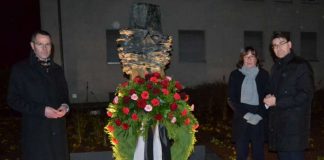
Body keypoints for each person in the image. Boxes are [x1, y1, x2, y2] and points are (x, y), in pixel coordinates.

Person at [7, 30, 70, 160]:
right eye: (40, 44)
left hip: (58, 136)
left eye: (48, 44)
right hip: (36, 135)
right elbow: (13, 100)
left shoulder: (57, 70)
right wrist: (42, 110)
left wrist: (65, 106)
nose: (45, 48)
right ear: (32, 46)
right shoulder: (20, 70)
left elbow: (64, 95)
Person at [263, 32, 314, 160]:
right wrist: (268, 96)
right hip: (279, 126)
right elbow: (274, 91)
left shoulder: (301, 65)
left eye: (281, 43)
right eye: (274, 45)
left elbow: (305, 95)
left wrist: (277, 101)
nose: (278, 48)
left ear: (290, 45)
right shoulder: (276, 68)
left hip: (294, 127)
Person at [228, 46, 269, 160]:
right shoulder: (235, 75)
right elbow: (231, 99)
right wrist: (247, 115)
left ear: (257, 59)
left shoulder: (264, 75)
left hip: (259, 117)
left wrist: (260, 114)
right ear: (242, 59)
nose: (249, 59)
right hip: (241, 117)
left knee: (258, 153)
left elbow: (268, 96)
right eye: (246, 56)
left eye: (252, 56)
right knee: (241, 154)